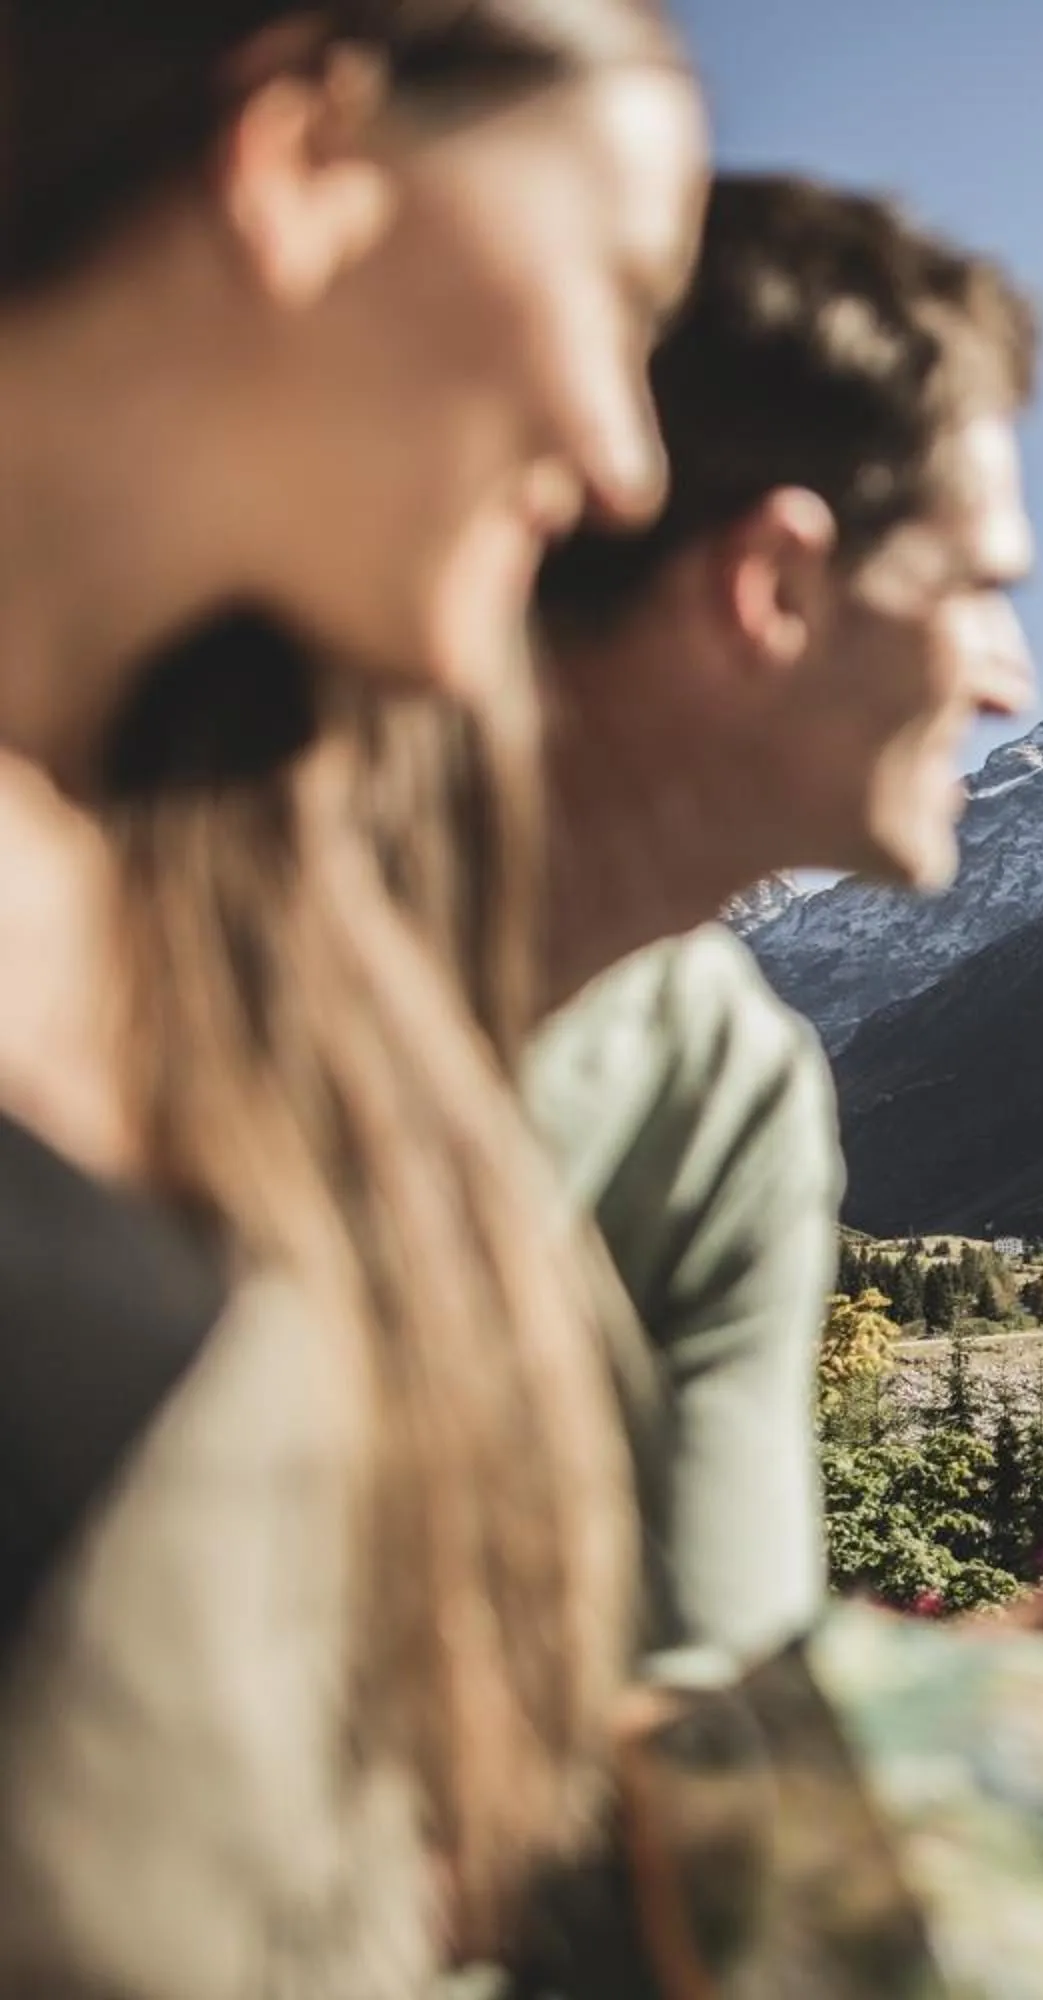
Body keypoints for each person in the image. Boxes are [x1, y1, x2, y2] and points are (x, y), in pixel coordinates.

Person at [0, 2, 710, 1988]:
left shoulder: (258, 910)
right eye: (623, 293)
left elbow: (365, 1872)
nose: (626, 458)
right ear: (302, 162)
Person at [520, 171, 1039, 1674]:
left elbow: (709, 1731)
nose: (1011, 679)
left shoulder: (722, 1089)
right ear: (774, 587)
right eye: (979, 588)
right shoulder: (120, 924)